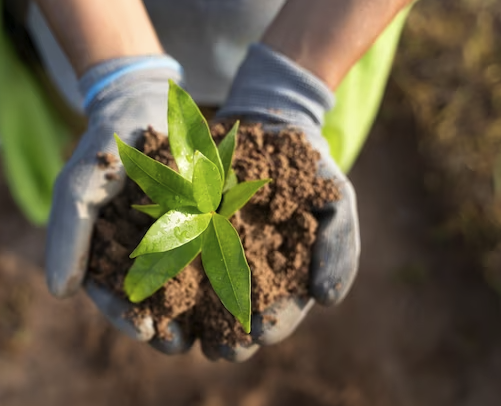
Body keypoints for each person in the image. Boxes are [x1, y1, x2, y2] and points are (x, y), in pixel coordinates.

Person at [31, 0, 414, 362]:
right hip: (81, 38)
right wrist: (118, 74)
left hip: (331, 36)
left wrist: (299, 79)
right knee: (78, 179)